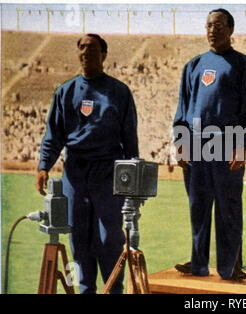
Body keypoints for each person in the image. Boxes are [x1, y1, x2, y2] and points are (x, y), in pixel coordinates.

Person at [36, 34, 139, 294]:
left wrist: (132, 176)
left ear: (104, 54)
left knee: (109, 238)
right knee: (78, 239)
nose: (85, 52)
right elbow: (54, 134)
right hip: (75, 172)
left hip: (108, 170)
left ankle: (113, 289)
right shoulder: (65, 91)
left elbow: (130, 137)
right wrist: (43, 166)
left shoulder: (118, 91)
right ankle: (84, 291)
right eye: (81, 48)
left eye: (92, 48)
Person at [172, 8, 246, 281]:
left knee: (228, 207)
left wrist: (241, 145)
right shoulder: (193, 65)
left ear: (231, 30)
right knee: (198, 206)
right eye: (209, 25)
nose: (213, 30)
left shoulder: (243, 65)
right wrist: (181, 141)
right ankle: (198, 263)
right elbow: (183, 108)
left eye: (219, 25)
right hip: (196, 144)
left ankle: (229, 265)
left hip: (227, 142)